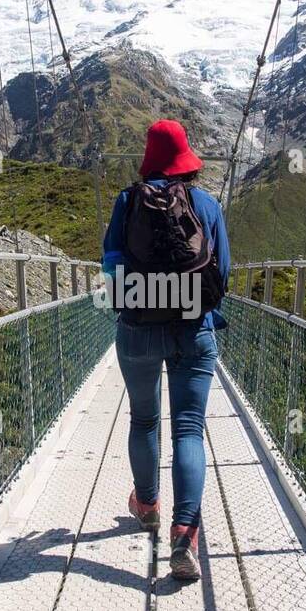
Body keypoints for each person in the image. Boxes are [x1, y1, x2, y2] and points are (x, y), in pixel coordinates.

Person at [102, 119, 230, 581]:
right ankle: (184, 535)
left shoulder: (126, 201)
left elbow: (111, 265)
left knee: (143, 419)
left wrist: (138, 300)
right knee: (189, 430)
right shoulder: (207, 205)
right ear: (188, 162)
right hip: (193, 331)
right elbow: (224, 274)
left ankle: (148, 504)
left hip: (137, 329)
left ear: (150, 159)